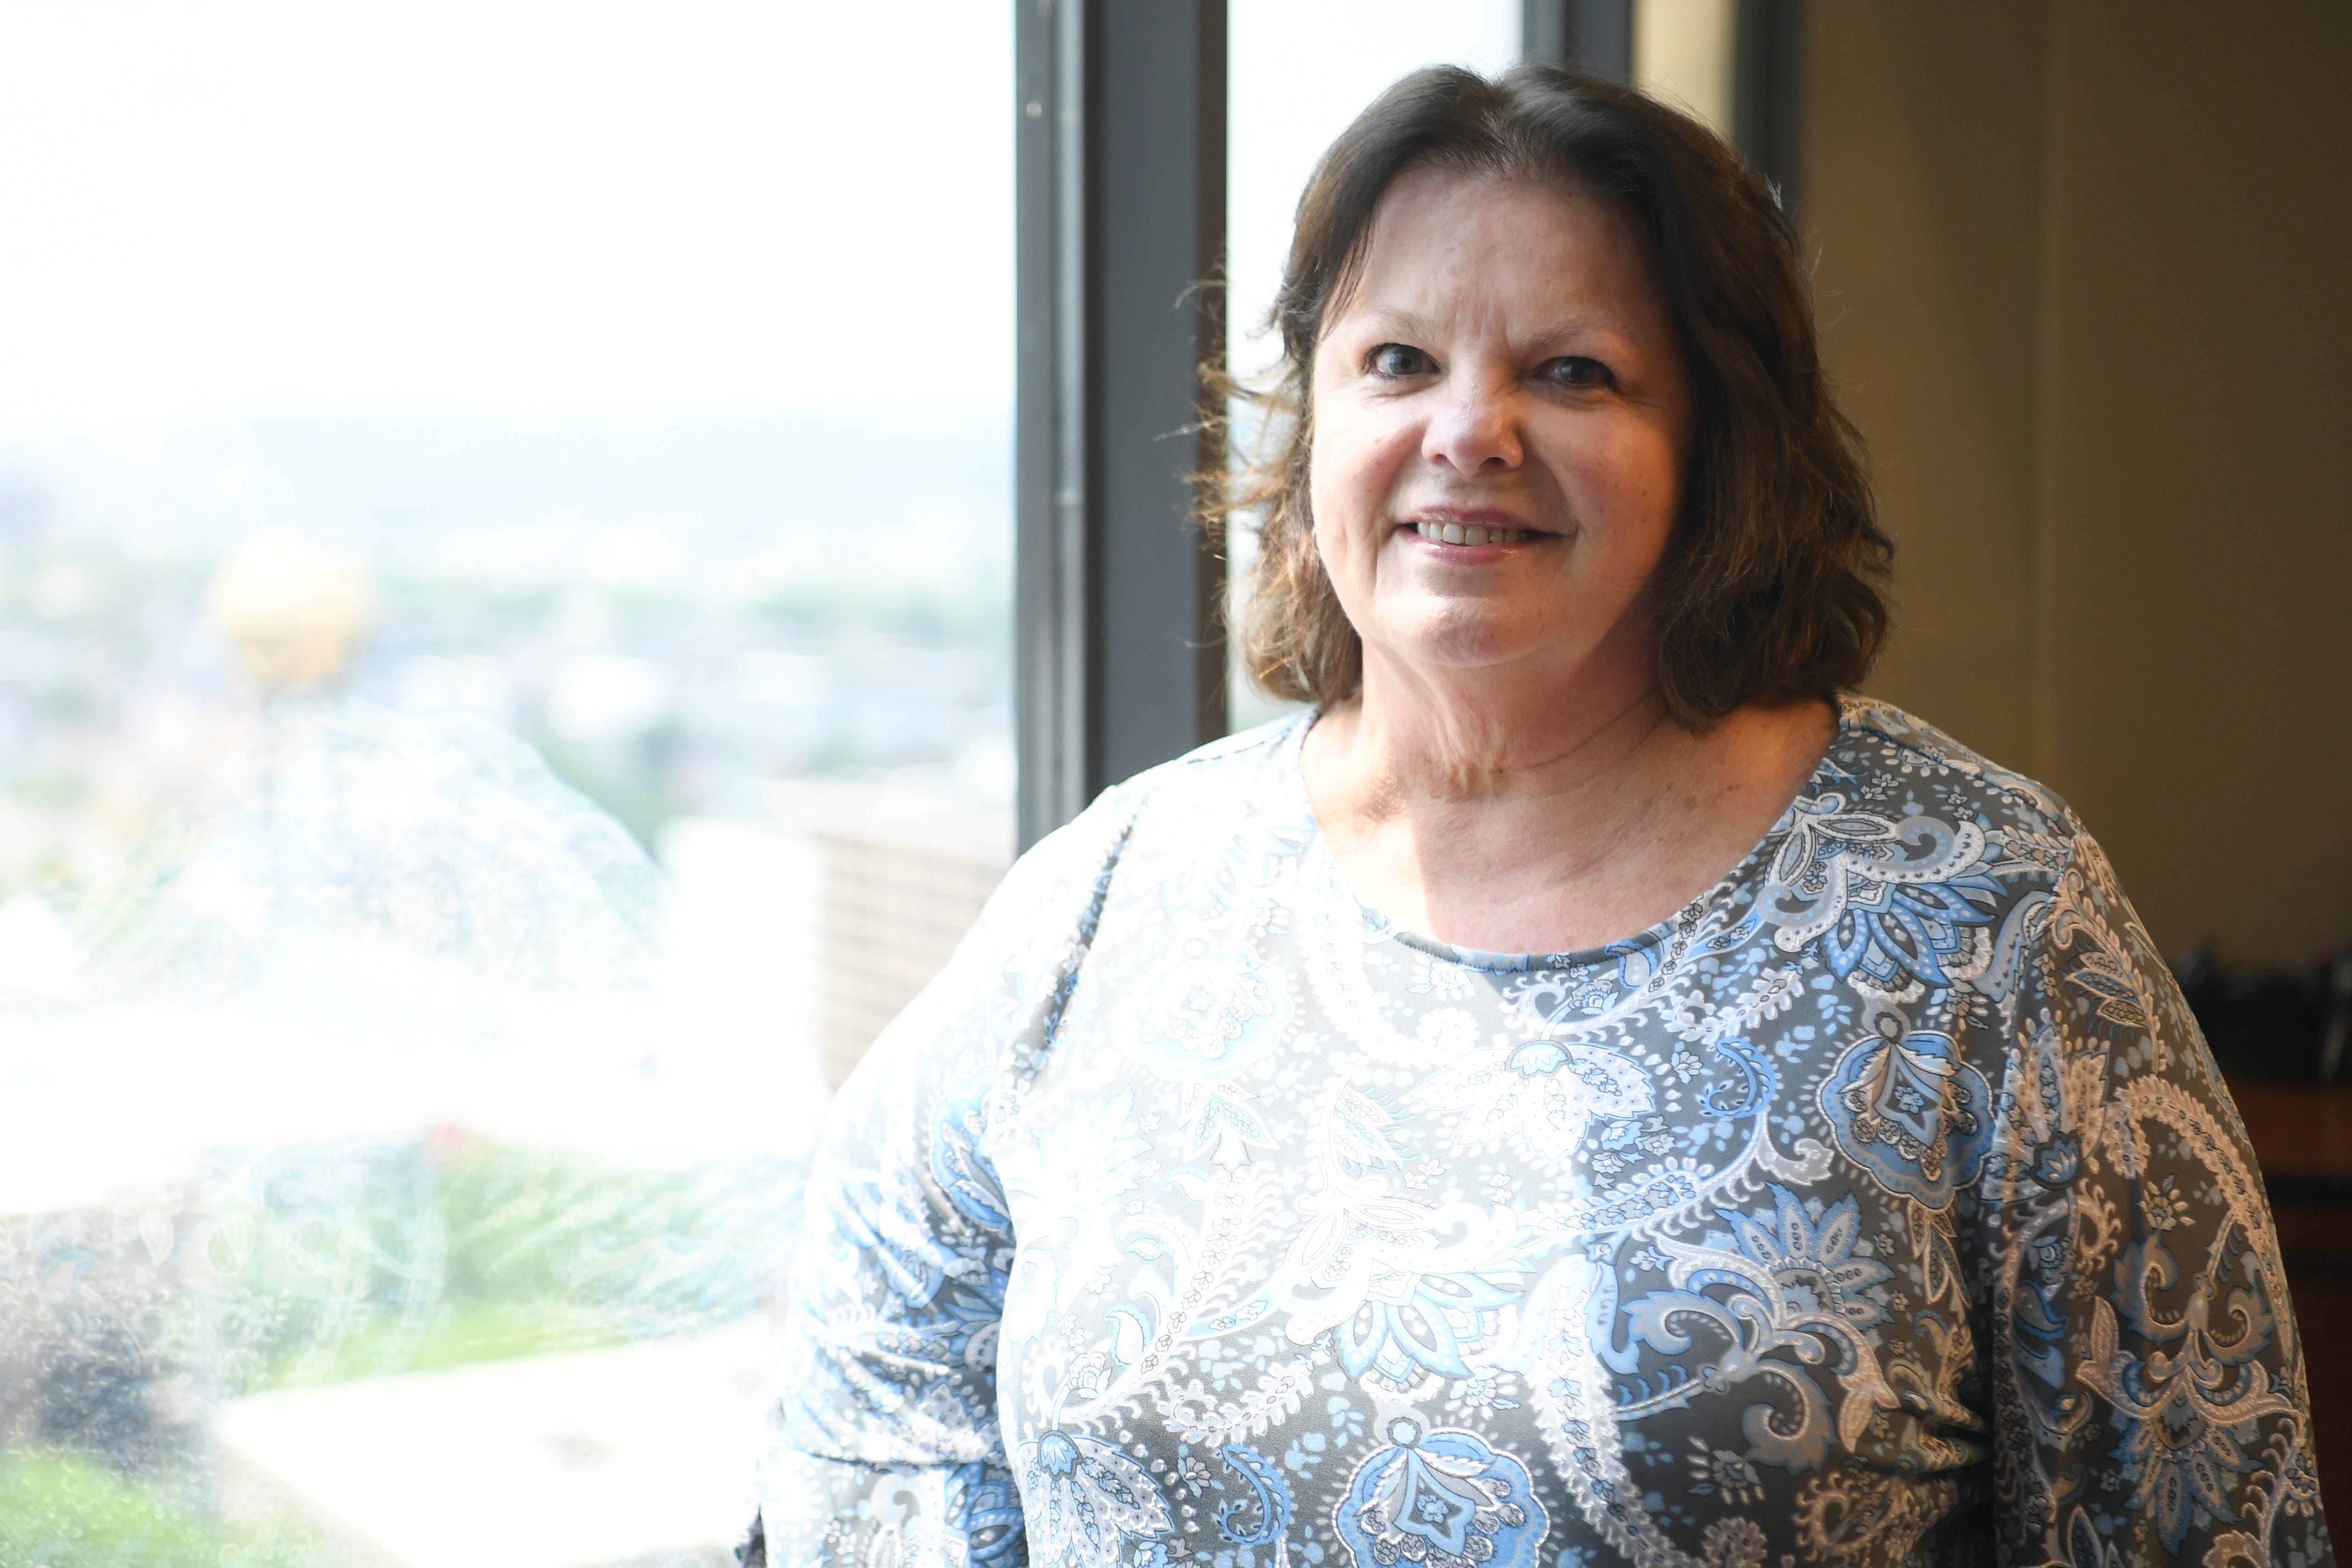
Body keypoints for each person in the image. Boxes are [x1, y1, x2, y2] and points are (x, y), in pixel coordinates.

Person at [751, 64, 2331, 1568]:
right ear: (1314, 421)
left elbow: (2205, 1516)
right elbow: (874, 1419)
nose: (1469, 431)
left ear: (1719, 444)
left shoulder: (1991, 926)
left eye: (1571, 371)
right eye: (1397, 360)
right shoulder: (1103, 902)